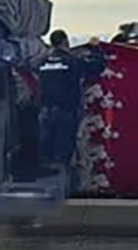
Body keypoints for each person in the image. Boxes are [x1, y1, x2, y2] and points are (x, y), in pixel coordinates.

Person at [37, 30, 105, 176]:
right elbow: (96, 67)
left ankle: (46, 180)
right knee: (64, 151)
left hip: (45, 112)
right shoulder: (72, 61)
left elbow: (26, 66)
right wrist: (97, 49)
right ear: (65, 42)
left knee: (47, 151)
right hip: (65, 112)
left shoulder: (41, 61)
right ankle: (62, 181)